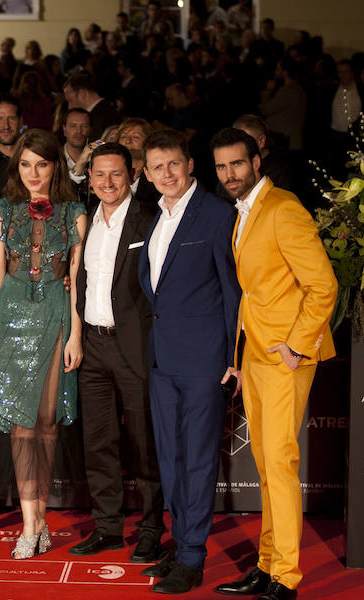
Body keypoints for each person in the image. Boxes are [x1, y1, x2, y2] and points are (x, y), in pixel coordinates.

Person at [211, 128, 337, 600]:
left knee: (279, 464)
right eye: (222, 167)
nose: (229, 174)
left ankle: (285, 575)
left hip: (286, 355)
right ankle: (266, 566)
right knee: (266, 465)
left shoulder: (283, 208)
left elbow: (323, 284)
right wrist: (242, 355)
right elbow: (254, 292)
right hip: (257, 354)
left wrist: (297, 346)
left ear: (257, 161)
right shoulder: (243, 211)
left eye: (237, 164)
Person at [137, 129, 241, 594]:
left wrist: (234, 359)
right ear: (146, 173)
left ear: (190, 164)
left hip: (204, 362)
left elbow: (234, 293)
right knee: (172, 460)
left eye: (173, 164)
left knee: (197, 461)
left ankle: (194, 557)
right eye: (157, 167)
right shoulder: (155, 218)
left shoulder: (218, 215)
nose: (166, 174)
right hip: (162, 362)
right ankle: (180, 547)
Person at [0, 128, 87, 559]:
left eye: (41, 164)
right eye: (25, 164)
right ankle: (31, 524)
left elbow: (77, 280)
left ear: (55, 166)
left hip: (56, 316)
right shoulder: (2, 211)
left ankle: (40, 520)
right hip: (11, 319)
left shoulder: (74, 213)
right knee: (22, 422)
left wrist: (76, 331)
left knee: (45, 423)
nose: (33, 172)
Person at [69, 142, 164, 564]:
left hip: (136, 348)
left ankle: (150, 529)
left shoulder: (150, 220)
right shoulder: (83, 221)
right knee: (99, 443)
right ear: (89, 178)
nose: (108, 183)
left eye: (116, 175)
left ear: (132, 175)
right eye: (100, 175)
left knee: (144, 445)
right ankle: (107, 528)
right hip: (92, 346)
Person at [63, 74, 122, 143]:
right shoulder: (108, 110)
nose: (69, 107)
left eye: (70, 100)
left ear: (82, 94)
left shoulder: (101, 117)